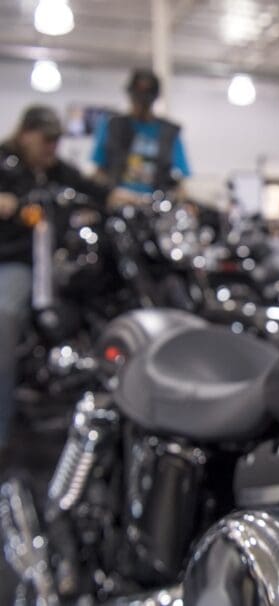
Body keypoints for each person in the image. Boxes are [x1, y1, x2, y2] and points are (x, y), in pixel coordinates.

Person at [0, 105, 110, 458]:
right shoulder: (4, 162)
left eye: (56, 140)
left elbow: (97, 190)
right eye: (46, 140)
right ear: (25, 134)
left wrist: (135, 200)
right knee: (3, 318)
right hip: (14, 262)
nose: (51, 147)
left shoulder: (58, 171)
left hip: (55, 266)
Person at [91, 68, 191, 197]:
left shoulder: (169, 132)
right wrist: (110, 193)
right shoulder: (113, 126)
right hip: (116, 203)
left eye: (146, 100)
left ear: (154, 99)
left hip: (154, 205)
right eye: (137, 98)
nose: (141, 105)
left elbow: (182, 177)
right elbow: (98, 171)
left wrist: (180, 195)